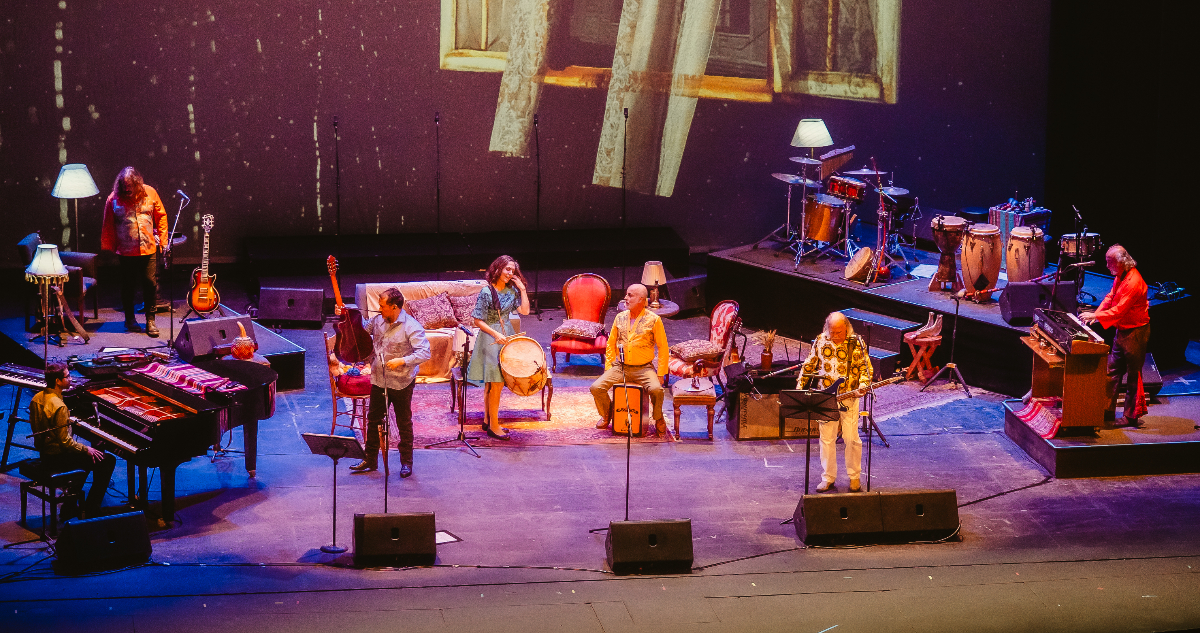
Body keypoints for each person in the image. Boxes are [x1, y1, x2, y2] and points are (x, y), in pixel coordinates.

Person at [344, 287, 431, 478]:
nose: (379, 309)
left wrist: (403, 360)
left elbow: (425, 352)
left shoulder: (412, 326)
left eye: (382, 306)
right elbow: (358, 332)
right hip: (379, 380)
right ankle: (370, 459)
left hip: (401, 382)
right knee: (373, 420)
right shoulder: (377, 321)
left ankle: (406, 463)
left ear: (394, 307)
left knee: (403, 423)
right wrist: (345, 313)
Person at [29, 362, 116, 519]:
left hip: (44, 454)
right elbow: (65, 442)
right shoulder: (59, 406)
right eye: (67, 376)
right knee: (106, 460)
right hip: (58, 458)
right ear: (57, 381)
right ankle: (91, 508)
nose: (70, 379)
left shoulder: (37, 398)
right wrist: (86, 449)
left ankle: (69, 508)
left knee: (85, 462)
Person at [798, 312, 873, 493]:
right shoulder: (820, 340)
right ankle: (828, 477)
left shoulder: (856, 342)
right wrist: (800, 388)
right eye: (832, 332)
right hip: (826, 396)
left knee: (851, 438)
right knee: (826, 439)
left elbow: (866, 368)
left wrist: (863, 385)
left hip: (849, 396)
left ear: (846, 329)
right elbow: (809, 365)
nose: (835, 336)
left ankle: (854, 477)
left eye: (839, 332)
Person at [1081, 244, 1150, 427]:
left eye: (1109, 262)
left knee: (1133, 376)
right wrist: (1095, 314)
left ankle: (1130, 416)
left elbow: (1119, 310)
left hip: (1136, 332)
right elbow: (1111, 297)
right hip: (1123, 330)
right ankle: (1106, 410)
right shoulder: (1121, 275)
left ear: (1121, 262)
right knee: (1111, 372)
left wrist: (1095, 316)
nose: (1107, 265)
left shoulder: (1134, 282)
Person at [466, 255, 531, 440]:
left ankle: (488, 419)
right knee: (496, 382)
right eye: (507, 269)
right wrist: (495, 334)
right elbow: (477, 320)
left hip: (506, 335)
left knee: (493, 382)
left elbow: (525, 311)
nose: (510, 273)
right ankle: (494, 426)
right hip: (490, 338)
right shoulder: (487, 292)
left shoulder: (512, 292)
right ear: (498, 269)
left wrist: (523, 289)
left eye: (513, 270)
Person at [591, 284, 669, 435]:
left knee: (657, 390)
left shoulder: (654, 320)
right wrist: (609, 366)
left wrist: (660, 374)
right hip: (620, 367)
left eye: (630, 295)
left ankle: (659, 418)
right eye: (626, 295)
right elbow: (611, 343)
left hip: (644, 368)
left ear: (641, 299)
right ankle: (607, 414)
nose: (626, 298)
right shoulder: (620, 317)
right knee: (596, 387)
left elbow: (663, 347)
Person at [100, 167, 168, 337]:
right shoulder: (113, 199)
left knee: (150, 284)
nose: (127, 188)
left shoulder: (150, 193)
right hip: (126, 250)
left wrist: (163, 240)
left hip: (148, 248)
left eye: (130, 185)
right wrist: (109, 246)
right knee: (128, 286)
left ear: (137, 182)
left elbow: (161, 216)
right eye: (124, 185)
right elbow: (108, 223)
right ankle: (129, 319)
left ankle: (150, 321)